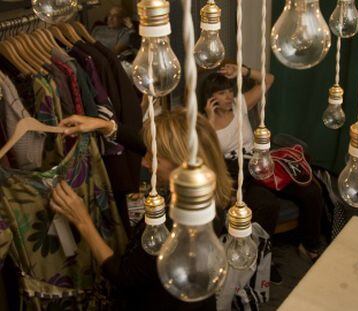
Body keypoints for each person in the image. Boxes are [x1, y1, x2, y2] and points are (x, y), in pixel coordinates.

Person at [50, 109, 232, 310]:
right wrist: (106, 126)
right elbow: (156, 148)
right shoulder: (205, 185)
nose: (144, 162)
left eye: (153, 158)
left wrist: (82, 221)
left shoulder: (176, 222)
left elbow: (125, 276)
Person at [200, 64, 325, 262]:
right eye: (222, 93)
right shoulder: (203, 124)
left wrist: (245, 72)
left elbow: (269, 79)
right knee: (267, 205)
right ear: (209, 97)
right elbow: (208, 158)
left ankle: (309, 244)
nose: (228, 96)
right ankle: (262, 260)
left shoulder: (239, 104)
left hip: (262, 163)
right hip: (239, 174)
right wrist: (210, 119)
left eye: (230, 91)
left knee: (311, 190)